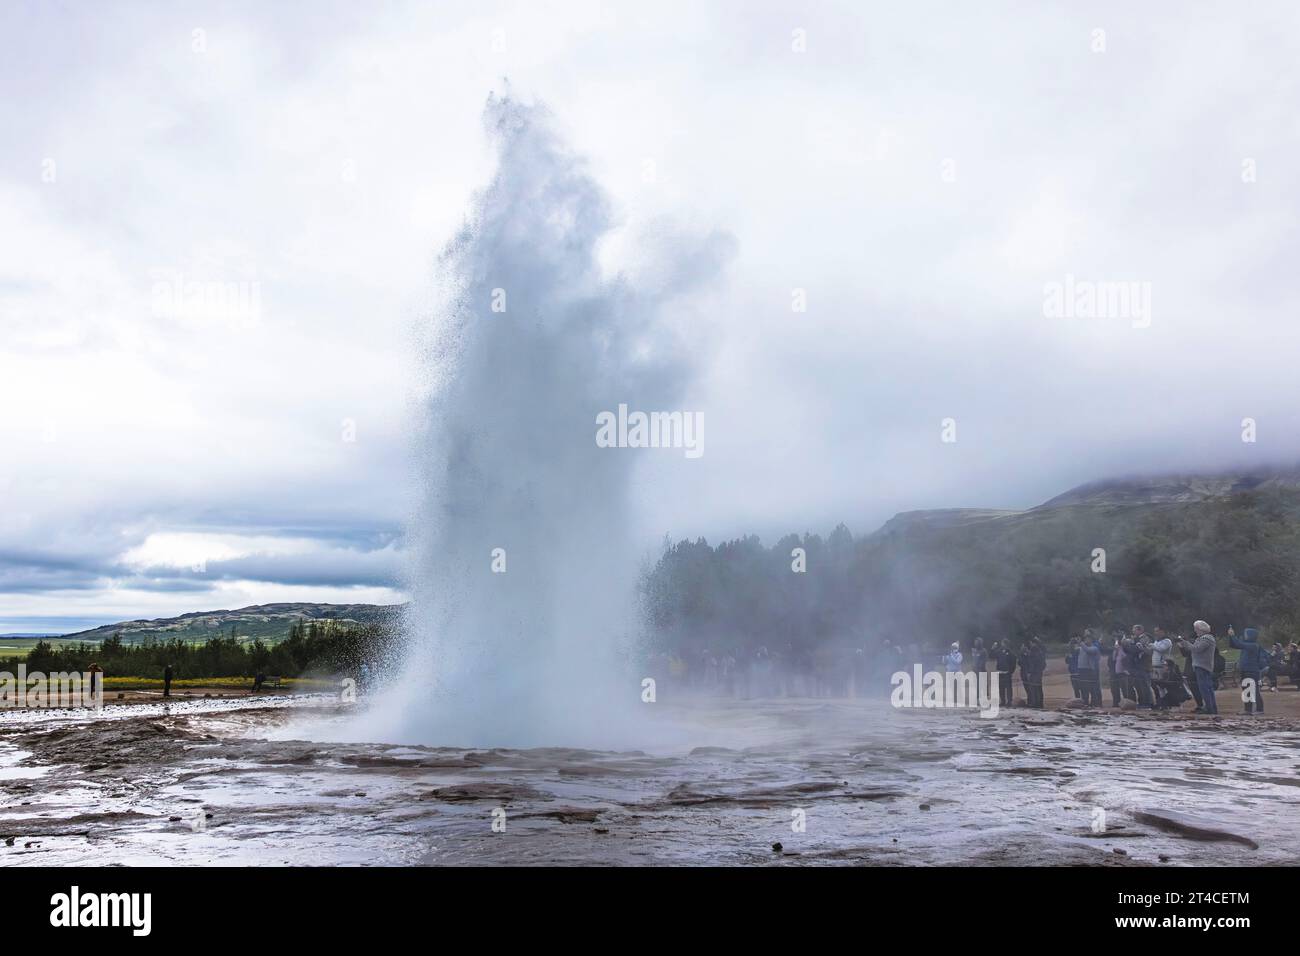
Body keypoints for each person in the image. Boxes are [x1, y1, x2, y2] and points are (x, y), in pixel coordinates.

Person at [1181, 621, 1218, 715]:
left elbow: (1196, 649)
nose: (1195, 630)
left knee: (1204, 688)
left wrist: (1185, 643)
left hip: (1202, 666)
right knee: (1207, 688)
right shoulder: (1204, 638)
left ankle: (1209, 708)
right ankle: (1211, 708)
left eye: (1196, 628)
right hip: (1202, 665)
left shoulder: (1206, 638)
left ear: (1201, 629)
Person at [1228, 626, 1267, 715]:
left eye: (1246, 634)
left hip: (1252, 671)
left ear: (1251, 636)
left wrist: (1233, 635)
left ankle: (1260, 710)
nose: (1244, 635)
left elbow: (1238, 644)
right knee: (1246, 690)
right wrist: (1231, 637)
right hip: (1246, 670)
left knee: (1254, 690)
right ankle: (1247, 709)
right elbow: (1234, 645)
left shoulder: (1253, 645)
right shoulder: (1248, 645)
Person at [1123, 627, 1154, 709]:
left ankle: (1148, 703)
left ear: (1140, 630)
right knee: (1139, 686)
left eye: (1134, 630)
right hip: (1138, 666)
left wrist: (1130, 645)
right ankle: (1143, 702)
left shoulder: (1145, 638)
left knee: (1145, 686)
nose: (1133, 632)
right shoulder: (1136, 639)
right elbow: (1131, 650)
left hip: (1144, 665)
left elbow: (1136, 650)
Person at [1078, 631, 1102, 706]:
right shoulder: (1082, 647)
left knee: (1091, 688)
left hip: (1089, 670)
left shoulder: (1094, 648)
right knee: (1083, 688)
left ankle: (1095, 703)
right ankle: (1085, 703)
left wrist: (1081, 643)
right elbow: (1074, 651)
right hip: (1081, 670)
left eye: (1087, 639)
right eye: (1085, 639)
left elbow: (1088, 651)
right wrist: (1071, 644)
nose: (1086, 640)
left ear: (1091, 640)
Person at [993, 640, 1016, 707]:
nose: (1002, 645)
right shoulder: (999, 651)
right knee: (1001, 688)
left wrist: (1011, 671)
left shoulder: (1010, 653)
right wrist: (993, 648)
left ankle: (1009, 701)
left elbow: (1013, 662)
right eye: (1002, 644)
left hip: (1007, 673)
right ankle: (1003, 701)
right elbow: (991, 655)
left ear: (1006, 644)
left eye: (1003, 644)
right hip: (1000, 672)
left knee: (1008, 688)